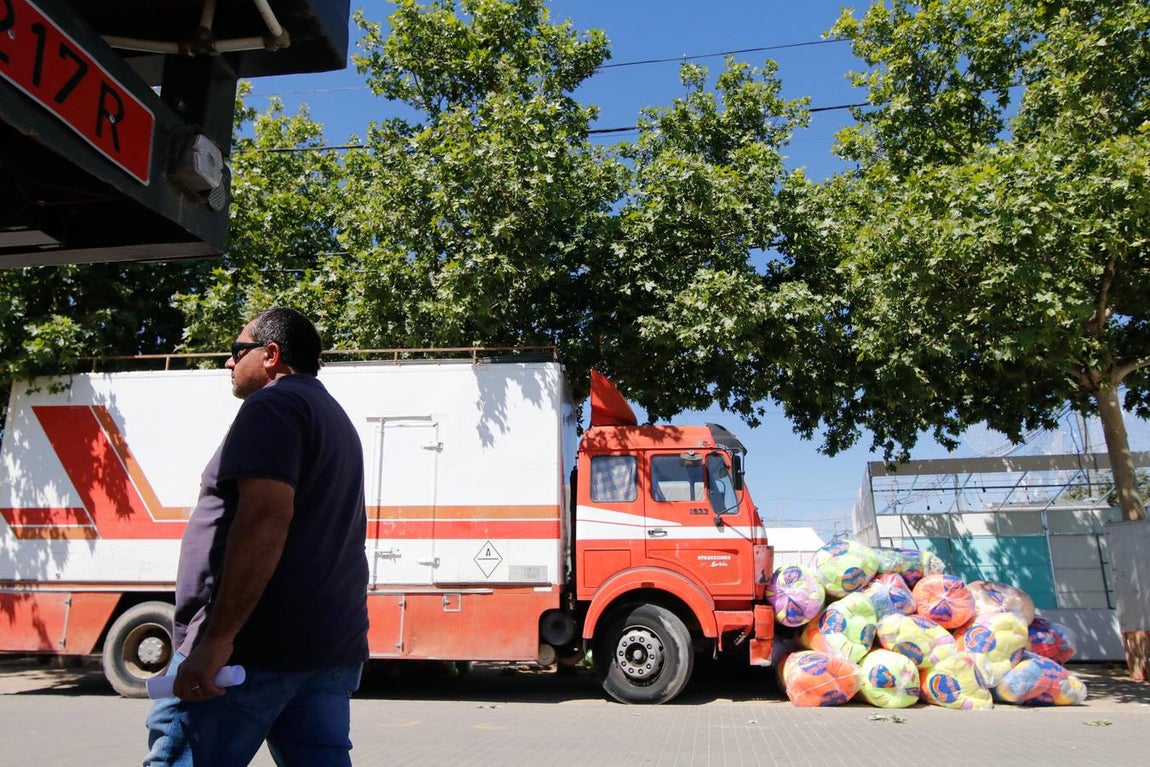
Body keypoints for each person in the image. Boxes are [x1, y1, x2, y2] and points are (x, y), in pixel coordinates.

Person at [145, 307, 369, 766]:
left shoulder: (273, 405)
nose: (229, 362)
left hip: (253, 651)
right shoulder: (332, 416)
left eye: (237, 350)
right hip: (327, 648)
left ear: (271, 354)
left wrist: (217, 640)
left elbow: (265, 520)